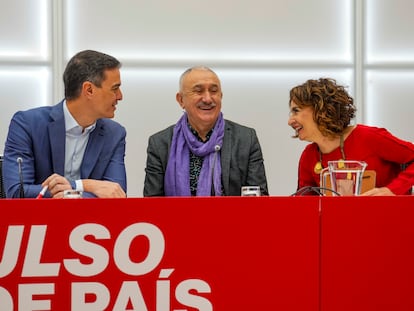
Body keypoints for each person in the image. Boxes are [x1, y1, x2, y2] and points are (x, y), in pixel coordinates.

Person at [3, 50, 127, 198]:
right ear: (89, 90)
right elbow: (18, 193)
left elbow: (115, 195)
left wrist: (76, 186)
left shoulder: (114, 134)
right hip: (39, 220)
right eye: (114, 88)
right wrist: (86, 188)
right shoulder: (27, 125)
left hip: (90, 221)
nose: (120, 96)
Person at [144, 66, 269, 196]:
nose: (208, 99)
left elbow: (260, 199)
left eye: (214, 91)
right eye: (199, 91)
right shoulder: (160, 144)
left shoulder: (245, 139)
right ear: (181, 100)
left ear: (221, 96)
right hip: (176, 216)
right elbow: (152, 204)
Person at [288, 77, 414, 196]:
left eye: (296, 111)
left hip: (389, 217)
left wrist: (392, 190)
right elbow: (305, 205)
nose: (290, 121)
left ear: (320, 108)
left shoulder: (368, 137)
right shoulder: (309, 156)